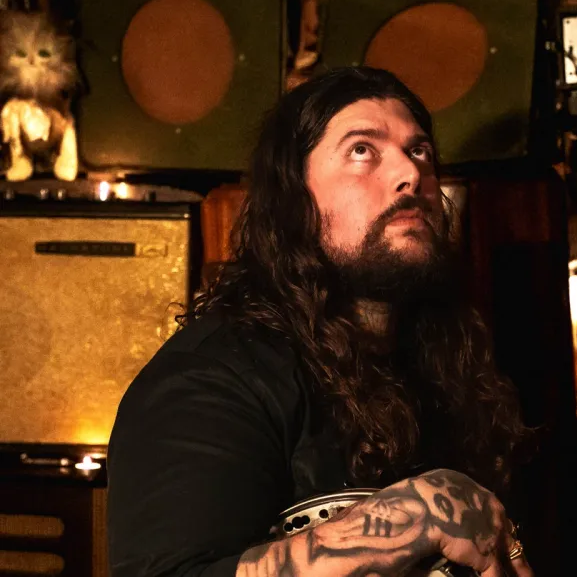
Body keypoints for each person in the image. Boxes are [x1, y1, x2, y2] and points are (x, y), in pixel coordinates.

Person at [106, 67, 533, 577]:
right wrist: (414, 515)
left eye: (419, 151)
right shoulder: (211, 379)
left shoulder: (449, 365)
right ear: (294, 202)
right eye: (362, 150)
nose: (410, 172)